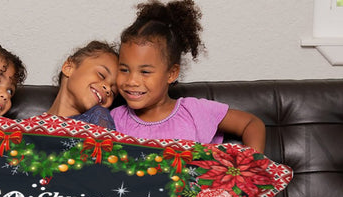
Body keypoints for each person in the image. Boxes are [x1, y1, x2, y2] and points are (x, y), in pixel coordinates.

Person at [112, 0, 266, 152]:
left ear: (171, 73)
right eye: (124, 70)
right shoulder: (114, 120)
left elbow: (251, 123)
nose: (131, 81)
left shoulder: (194, 112)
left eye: (145, 72)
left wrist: (252, 163)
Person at [47, 41, 118, 129]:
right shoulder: (31, 125)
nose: (108, 89)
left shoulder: (99, 116)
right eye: (101, 75)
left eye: (113, 92)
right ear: (68, 68)